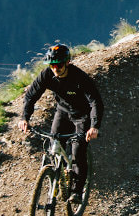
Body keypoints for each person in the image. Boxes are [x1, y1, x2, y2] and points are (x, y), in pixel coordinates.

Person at [16, 43, 103, 201]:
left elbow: (95, 102)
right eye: (52, 65)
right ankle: (57, 178)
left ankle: (77, 191)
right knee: (54, 145)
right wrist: (24, 118)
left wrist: (94, 126)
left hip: (82, 115)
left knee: (78, 151)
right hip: (62, 112)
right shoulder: (47, 75)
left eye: (59, 64)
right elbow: (30, 96)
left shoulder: (79, 77)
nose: (55, 68)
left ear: (67, 62)